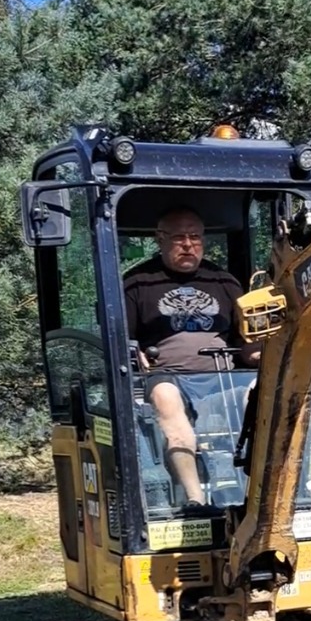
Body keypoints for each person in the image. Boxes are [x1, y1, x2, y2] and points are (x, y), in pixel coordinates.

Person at [122, 208, 258, 507]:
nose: (188, 244)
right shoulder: (138, 283)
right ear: (160, 239)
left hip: (223, 377)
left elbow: (246, 339)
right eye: (179, 237)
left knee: (258, 393)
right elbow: (122, 339)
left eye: (195, 237)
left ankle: (258, 493)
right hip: (167, 377)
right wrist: (136, 355)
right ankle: (195, 501)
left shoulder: (224, 282)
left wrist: (262, 353)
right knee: (166, 397)